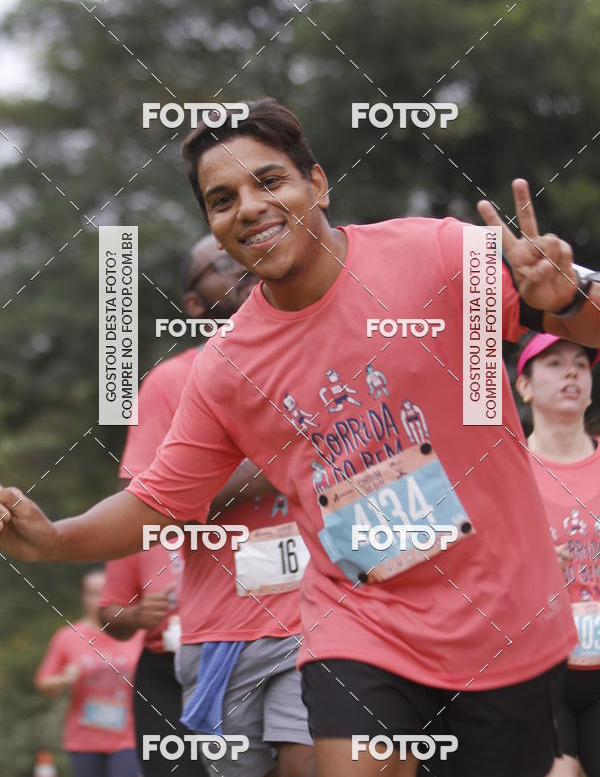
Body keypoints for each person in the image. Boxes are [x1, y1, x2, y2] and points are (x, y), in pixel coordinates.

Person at [3, 98, 600, 777]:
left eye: (268, 181)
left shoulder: (435, 252)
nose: (248, 208)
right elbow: (162, 501)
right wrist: (55, 539)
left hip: (505, 620)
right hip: (360, 623)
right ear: (212, 224)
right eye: (222, 199)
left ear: (317, 183)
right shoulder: (227, 368)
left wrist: (566, 300)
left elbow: (585, 323)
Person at [99, 236, 314, 777]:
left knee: (311, 758)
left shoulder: (320, 355)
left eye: (244, 255)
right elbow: (149, 502)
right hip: (223, 632)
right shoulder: (170, 382)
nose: (241, 265)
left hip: (321, 615)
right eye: (222, 263)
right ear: (195, 305)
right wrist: (279, 463)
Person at [515, 334, 600, 777]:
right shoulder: (505, 470)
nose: (571, 372)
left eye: (580, 364)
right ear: (524, 386)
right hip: (538, 669)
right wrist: (530, 566)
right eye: (554, 363)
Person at [35, 569, 143, 777]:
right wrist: (65, 679)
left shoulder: (137, 635)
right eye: (94, 594)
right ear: (84, 597)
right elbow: (45, 684)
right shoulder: (68, 637)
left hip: (128, 737)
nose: (101, 600)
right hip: (83, 740)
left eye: (107, 593)